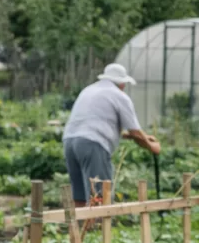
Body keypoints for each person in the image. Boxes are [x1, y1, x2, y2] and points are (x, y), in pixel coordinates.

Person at [63, 63, 161, 207]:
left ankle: (77, 228)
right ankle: (98, 228)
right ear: (122, 83)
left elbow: (95, 123)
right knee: (99, 195)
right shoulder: (119, 96)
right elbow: (135, 132)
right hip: (93, 144)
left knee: (80, 196)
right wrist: (153, 147)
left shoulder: (88, 90)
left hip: (69, 142)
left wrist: (142, 137)